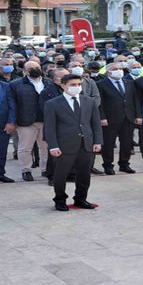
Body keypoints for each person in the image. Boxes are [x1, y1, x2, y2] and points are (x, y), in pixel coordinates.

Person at [43, 74, 103, 211]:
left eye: (78, 84)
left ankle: (81, 198)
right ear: (63, 86)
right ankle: (60, 199)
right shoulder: (52, 104)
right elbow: (49, 127)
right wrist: (53, 145)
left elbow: (95, 124)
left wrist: (98, 141)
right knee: (61, 174)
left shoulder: (89, 101)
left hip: (86, 143)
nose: (76, 87)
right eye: (72, 85)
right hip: (64, 145)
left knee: (84, 174)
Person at [8, 61, 50, 182]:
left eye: (37, 67)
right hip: (26, 121)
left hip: (45, 120)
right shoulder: (15, 84)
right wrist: (12, 121)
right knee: (25, 148)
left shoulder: (48, 82)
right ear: (25, 71)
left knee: (45, 147)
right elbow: (12, 104)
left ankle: (45, 169)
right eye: (31, 68)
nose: (34, 69)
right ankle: (26, 170)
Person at [96, 63, 139, 174]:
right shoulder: (101, 84)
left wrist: (138, 115)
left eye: (120, 69)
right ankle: (108, 165)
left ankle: (124, 164)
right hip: (110, 118)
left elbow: (135, 100)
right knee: (108, 143)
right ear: (108, 71)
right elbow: (99, 103)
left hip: (128, 117)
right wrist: (102, 117)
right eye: (115, 69)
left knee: (127, 143)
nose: (119, 71)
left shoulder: (129, 83)